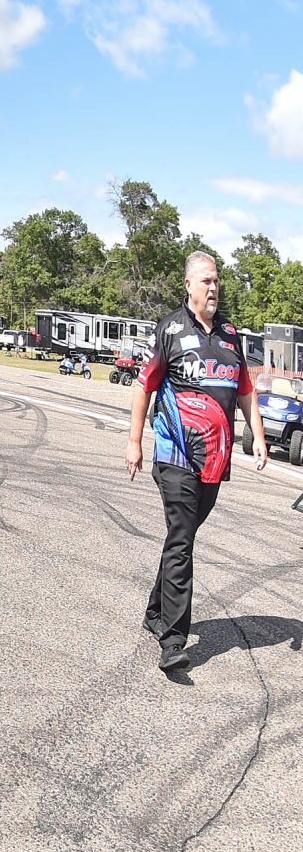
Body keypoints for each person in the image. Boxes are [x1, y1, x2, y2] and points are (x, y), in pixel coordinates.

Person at [124, 251, 267, 671]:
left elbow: (244, 391)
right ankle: (173, 640)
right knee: (183, 540)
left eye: (217, 281)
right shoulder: (169, 329)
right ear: (188, 285)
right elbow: (142, 387)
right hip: (175, 454)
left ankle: (155, 612)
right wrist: (134, 441)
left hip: (215, 459)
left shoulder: (229, 334)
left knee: (179, 538)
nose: (213, 287)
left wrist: (257, 436)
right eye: (205, 281)